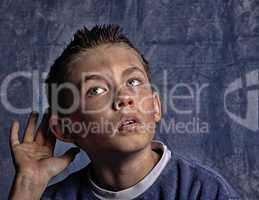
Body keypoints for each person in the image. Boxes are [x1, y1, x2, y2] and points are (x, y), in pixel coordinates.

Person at [8, 24, 240, 200]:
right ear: (66, 128)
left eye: (134, 82)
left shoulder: (201, 190)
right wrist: (28, 184)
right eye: (96, 89)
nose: (124, 98)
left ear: (155, 106)